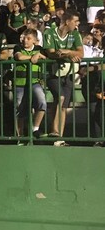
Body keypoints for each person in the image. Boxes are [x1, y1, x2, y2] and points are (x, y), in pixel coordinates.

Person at [43, 10, 83, 146]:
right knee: (59, 98)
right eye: (75, 21)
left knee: (64, 104)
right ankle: (54, 131)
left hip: (69, 73)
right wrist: (69, 55)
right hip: (53, 72)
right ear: (67, 21)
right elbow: (51, 53)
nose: (77, 24)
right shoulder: (49, 32)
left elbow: (81, 52)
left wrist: (67, 52)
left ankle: (59, 137)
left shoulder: (75, 34)